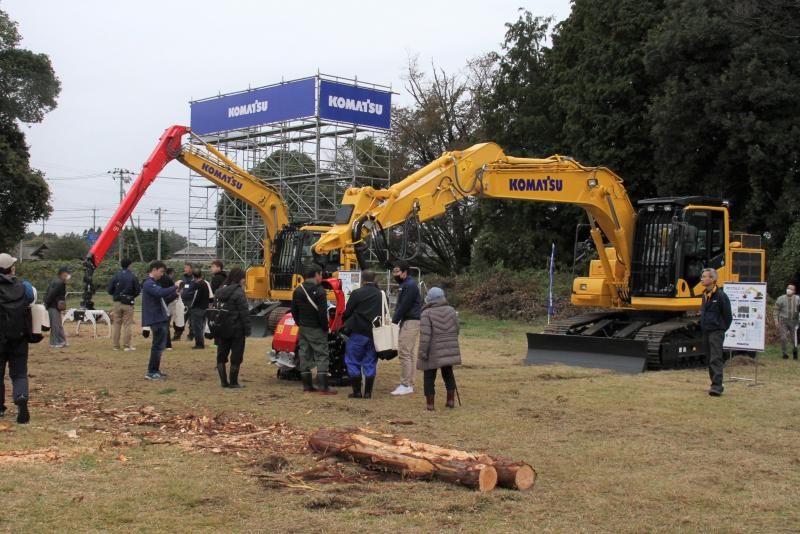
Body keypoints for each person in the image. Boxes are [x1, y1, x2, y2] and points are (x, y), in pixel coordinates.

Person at [0, 253, 35, 423]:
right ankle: (21, 398)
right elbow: (32, 299)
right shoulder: (24, 286)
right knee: (19, 373)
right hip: (19, 337)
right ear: (11, 268)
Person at [291, 264, 335, 394]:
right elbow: (322, 313)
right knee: (322, 355)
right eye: (320, 274)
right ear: (316, 274)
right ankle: (323, 387)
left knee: (304, 354)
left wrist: (300, 323)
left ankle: (307, 386)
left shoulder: (298, 290)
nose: (321, 277)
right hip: (316, 328)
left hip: (303, 327)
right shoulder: (320, 291)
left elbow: (294, 311)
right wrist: (325, 328)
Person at [417, 287, 461, 411]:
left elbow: (425, 336)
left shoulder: (426, 313)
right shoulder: (451, 310)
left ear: (429, 299)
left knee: (429, 376)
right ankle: (450, 400)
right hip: (449, 346)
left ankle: (430, 404)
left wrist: (422, 352)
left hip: (432, 349)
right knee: (448, 373)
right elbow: (457, 328)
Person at [342, 269, 382, 399]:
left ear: (362, 280)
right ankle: (368, 393)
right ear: (374, 279)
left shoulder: (357, 293)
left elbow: (348, 312)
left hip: (357, 332)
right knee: (370, 362)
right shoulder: (381, 294)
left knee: (353, 361)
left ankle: (357, 392)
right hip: (375, 333)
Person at [141, 261, 180, 380]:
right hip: (156, 318)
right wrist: (175, 286)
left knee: (159, 346)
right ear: (154, 270)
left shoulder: (154, 283)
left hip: (160, 317)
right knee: (157, 346)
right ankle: (152, 371)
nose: (162, 274)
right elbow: (159, 293)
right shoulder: (148, 283)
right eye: (161, 271)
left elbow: (163, 298)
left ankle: (155, 370)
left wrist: (175, 294)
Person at [213, 268, 250, 388]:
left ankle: (223, 382)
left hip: (222, 327)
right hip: (237, 329)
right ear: (240, 278)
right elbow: (244, 313)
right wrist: (247, 329)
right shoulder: (239, 292)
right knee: (236, 356)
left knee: (221, 355)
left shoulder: (220, 290)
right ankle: (233, 382)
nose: (245, 281)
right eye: (244, 278)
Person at [700, 268, 733, 397]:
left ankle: (717, 387)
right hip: (706, 331)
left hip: (716, 331)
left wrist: (721, 328)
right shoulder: (704, 295)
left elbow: (728, 316)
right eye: (702, 276)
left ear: (713, 279)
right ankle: (714, 383)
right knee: (709, 358)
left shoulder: (721, 296)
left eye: (704, 276)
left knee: (715, 358)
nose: (702, 279)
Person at [390, 261, 421, 396]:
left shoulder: (409, 285)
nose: (394, 274)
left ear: (404, 272)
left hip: (411, 321)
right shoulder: (405, 284)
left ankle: (405, 384)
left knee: (404, 352)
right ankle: (410, 383)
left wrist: (394, 321)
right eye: (393, 271)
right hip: (409, 320)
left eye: (397, 271)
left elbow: (404, 306)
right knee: (410, 353)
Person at [107, 257, 140, 352]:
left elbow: (109, 290)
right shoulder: (132, 276)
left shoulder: (116, 275)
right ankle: (126, 345)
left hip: (117, 302)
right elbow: (137, 290)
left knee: (117, 323)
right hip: (128, 303)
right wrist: (131, 296)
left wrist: (116, 294)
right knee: (127, 324)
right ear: (130, 265)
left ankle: (115, 346)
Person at [44, 265, 70, 348]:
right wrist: (47, 304)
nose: (68, 275)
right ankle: (55, 342)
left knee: (58, 324)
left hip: (54, 306)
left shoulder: (56, 281)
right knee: (56, 325)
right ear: (63, 273)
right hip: (53, 306)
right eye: (67, 273)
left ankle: (61, 341)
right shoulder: (60, 282)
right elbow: (52, 294)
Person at [774, 283, 799, 360]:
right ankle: (784, 354)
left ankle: (795, 353)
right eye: (788, 288)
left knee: (794, 339)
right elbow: (776, 310)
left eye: (791, 289)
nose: (789, 290)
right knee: (783, 338)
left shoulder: (798, 298)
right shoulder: (780, 298)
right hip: (783, 321)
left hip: (794, 321)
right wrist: (776, 320)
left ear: (794, 291)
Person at [188, 268, 210, 349]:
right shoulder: (205, 283)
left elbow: (195, 297)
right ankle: (200, 343)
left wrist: (191, 306)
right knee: (201, 327)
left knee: (197, 328)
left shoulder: (198, 284)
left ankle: (199, 344)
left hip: (197, 309)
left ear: (193, 276)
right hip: (204, 308)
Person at [158, 267, 178, 351]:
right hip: (168, 302)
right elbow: (174, 291)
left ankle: (163, 343)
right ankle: (167, 344)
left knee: (161, 324)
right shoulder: (167, 279)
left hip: (162, 302)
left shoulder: (154, 280)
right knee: (165, 324)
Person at [175, 262, 194, 341]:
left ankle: (190, 336)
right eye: (184, 267)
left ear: (191, 269)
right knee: (181, 319)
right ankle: (177, 335)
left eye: (186, 267)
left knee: (192, 320)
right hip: (182, 301)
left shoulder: (194, 278)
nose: (185, 269)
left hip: (191, 301)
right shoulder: (183, 277)